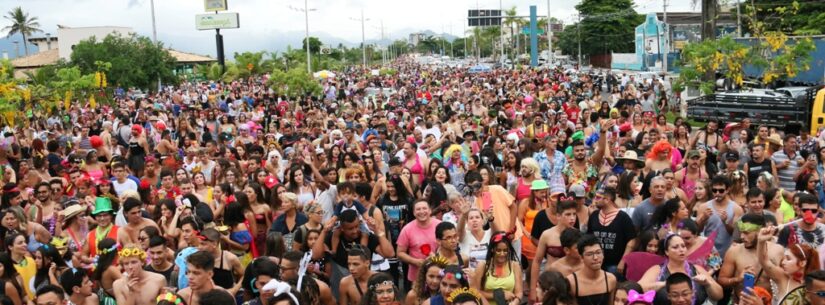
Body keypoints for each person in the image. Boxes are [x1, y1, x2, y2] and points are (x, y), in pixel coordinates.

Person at [639, 233, 723, 305]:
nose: (681, 250)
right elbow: (637, 290)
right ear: (666, 252)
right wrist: (662, 284)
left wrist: (708, 284)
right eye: (675, 247)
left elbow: (719, 295)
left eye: (683, 246)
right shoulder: (657, 270)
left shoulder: (697, 269)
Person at [718, 213, 783, 304]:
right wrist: (737, 279)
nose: (742, 237)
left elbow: (786, 281)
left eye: (746, 233)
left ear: (761, 230)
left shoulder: (777, 251)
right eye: (741, 232)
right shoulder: (734, 251)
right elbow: (721, 280)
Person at [758, 225, 820, 305]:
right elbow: (764, 261)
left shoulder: (816, 285)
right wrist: (761, 241)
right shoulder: (782, 278)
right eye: (783, 258)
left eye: (788, 259)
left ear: (802, 263)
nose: (783, 262)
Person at [587, 187, 636, 274]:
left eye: (598, 197)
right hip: (596, 263)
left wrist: (623, 261)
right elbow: (589, 238)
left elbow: (632, 240)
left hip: (615, 265)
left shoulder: (623, 217)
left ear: (607, 199)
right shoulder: (594, 215)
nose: (594, 200)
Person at [697, 175, 743, 257]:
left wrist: (726, 222)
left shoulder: (736, 209)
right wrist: (703, 219)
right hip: (709, 252)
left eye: (721, 191)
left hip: (728, 252)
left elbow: (736, 235)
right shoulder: (703, 207)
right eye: (714, 190)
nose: (717, 193)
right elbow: (696, 231)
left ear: (727, 190)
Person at [472, 232, 523, 305]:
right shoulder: (482, 266)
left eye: (505, 250)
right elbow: (475, 291)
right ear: (492, 249)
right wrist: (498, 295)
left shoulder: (515, 266)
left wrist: (515, 302)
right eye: (498, 250)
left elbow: (519, 292)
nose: (502, 254)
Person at [397, 200, 441, 284]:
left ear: (430, 210)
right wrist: (415, 261)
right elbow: (400, 253)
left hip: (438, 274)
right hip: (417, 276)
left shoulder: (440, 225)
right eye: (418, 209)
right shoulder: (407, 229)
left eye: (424, 208)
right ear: (414, 213)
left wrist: (437, 257)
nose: (421, 211)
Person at [567, 235, 618, 305]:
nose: (595, 258)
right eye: (589, 254)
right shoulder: (572, 282)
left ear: (603, 254)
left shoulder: (610, 279)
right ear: (581, 257)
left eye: (598, 252)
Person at [197, 228, 243, 295]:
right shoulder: (199, 257)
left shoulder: (230, 258)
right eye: (199, 244)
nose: (199, 247)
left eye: (203, 244)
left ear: (214, 244)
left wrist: (234, 290)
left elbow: (244, 275)